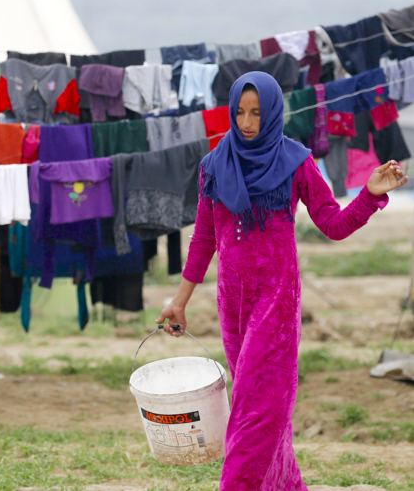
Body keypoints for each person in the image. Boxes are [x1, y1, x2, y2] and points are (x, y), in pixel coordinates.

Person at [156, 71, 406, 490]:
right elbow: (203, 238)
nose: (247, 122)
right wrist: (179, 301)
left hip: (276, 301)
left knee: (257, 413)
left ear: (273, 112)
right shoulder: (214, 165)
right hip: (232, 305)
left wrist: (369, 194)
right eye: (239, 112)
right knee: (261, 408)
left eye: (256, 112)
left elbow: (332, 222)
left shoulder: (296, 160)